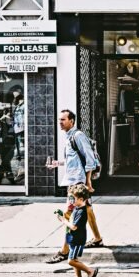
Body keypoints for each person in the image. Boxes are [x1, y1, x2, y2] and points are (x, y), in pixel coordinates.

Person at [45, 109, 104, 264]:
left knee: (68, 214)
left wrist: (88, 182)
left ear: (72, 121)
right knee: (88, 211)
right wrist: (57, 164)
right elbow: (74, 160)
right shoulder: (69, 137)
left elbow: (90, 159)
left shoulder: (78, 136)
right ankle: (97, 239)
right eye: (59, 119)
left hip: (78, 183)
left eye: (63, 119)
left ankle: (64, 251)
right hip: (75, 180)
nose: (60, 122)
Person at [57, 186, 99, 277]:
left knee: (71, 261)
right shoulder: (77, 207)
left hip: (77, 240)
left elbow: (74, 227)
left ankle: (90, 271)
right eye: (70, 198)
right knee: (74, 259)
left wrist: (63, 220)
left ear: (81, 199)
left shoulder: (81, 212)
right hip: (73, 238)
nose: (71, 201)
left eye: (73, 198)